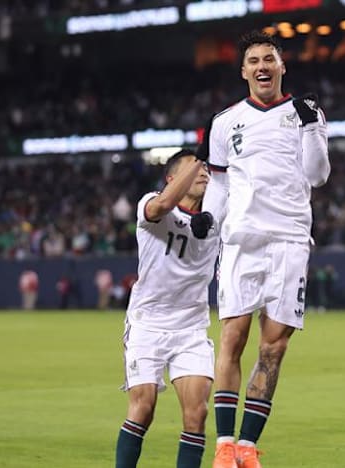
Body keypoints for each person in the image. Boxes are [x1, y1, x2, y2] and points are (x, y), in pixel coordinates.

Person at [189, 30, 330, 468]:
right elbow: (220, 182)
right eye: (254, 60)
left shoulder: (305, 112)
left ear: (282, 66)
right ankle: (224, 445)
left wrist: (311, 127)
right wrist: (208, 217)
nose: (262, 66)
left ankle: (247, 448)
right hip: (241, 240)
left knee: (274, 348)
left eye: (269, 59)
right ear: (243, 71)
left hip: (289, 240)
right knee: (232, 338)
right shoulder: (225, 121)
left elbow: (318, 175)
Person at [115, 148, 219, 468]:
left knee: (197, 414)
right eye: (194, 168)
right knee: (143, 408)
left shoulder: (217, 217)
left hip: (191, 328)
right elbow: (162, 205)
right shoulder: (151, 205)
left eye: (205, 168)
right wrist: (200, 155)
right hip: (147, 324)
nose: (203, 172)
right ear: (173, 178)